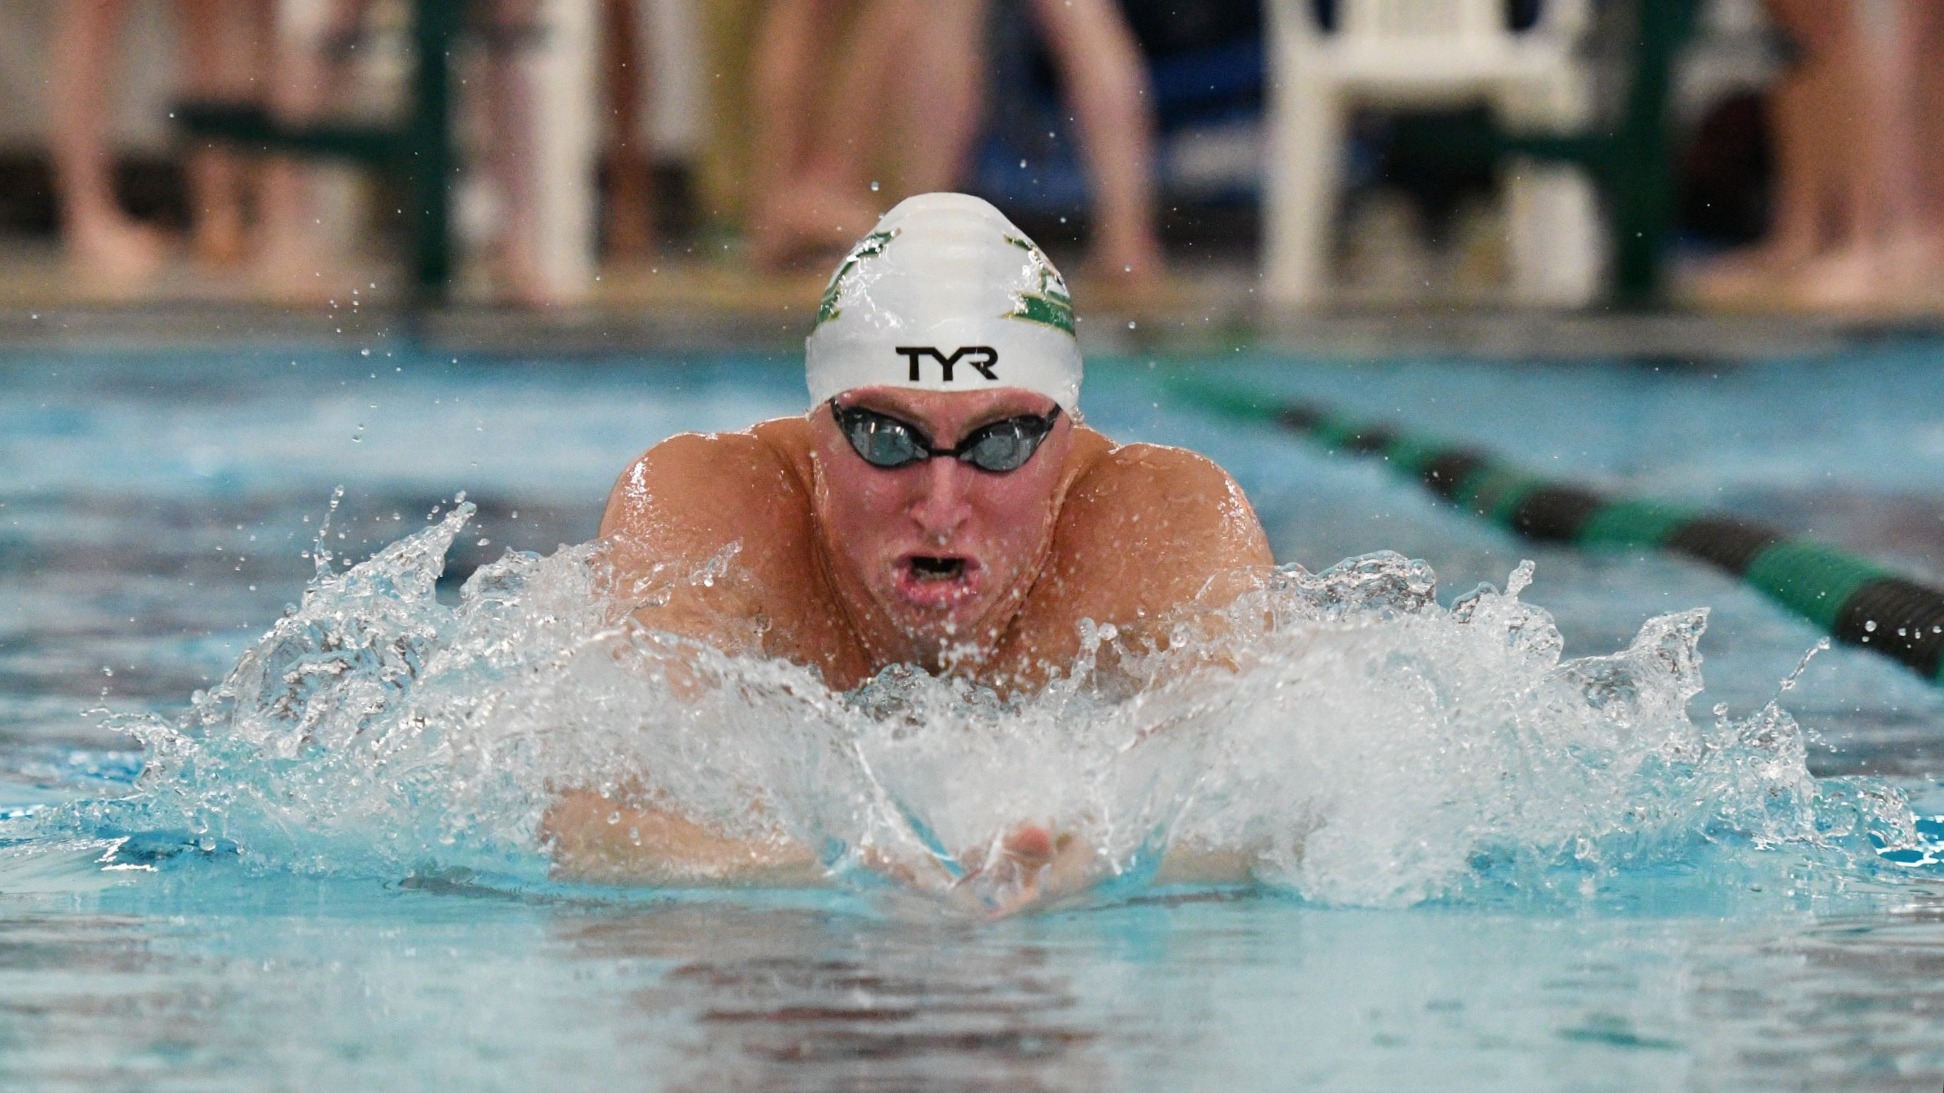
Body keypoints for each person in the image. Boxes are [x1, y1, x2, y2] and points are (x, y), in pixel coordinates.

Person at [543, 192, 1270, 910]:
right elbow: (595, 824)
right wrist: (828, 877)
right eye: (888, 438)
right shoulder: (712, 516)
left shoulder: (1165, 526)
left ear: (1065, 439)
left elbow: (1270, 809)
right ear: (818, 431)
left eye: (1001, 441)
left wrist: (1108, 862)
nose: (943, 507)